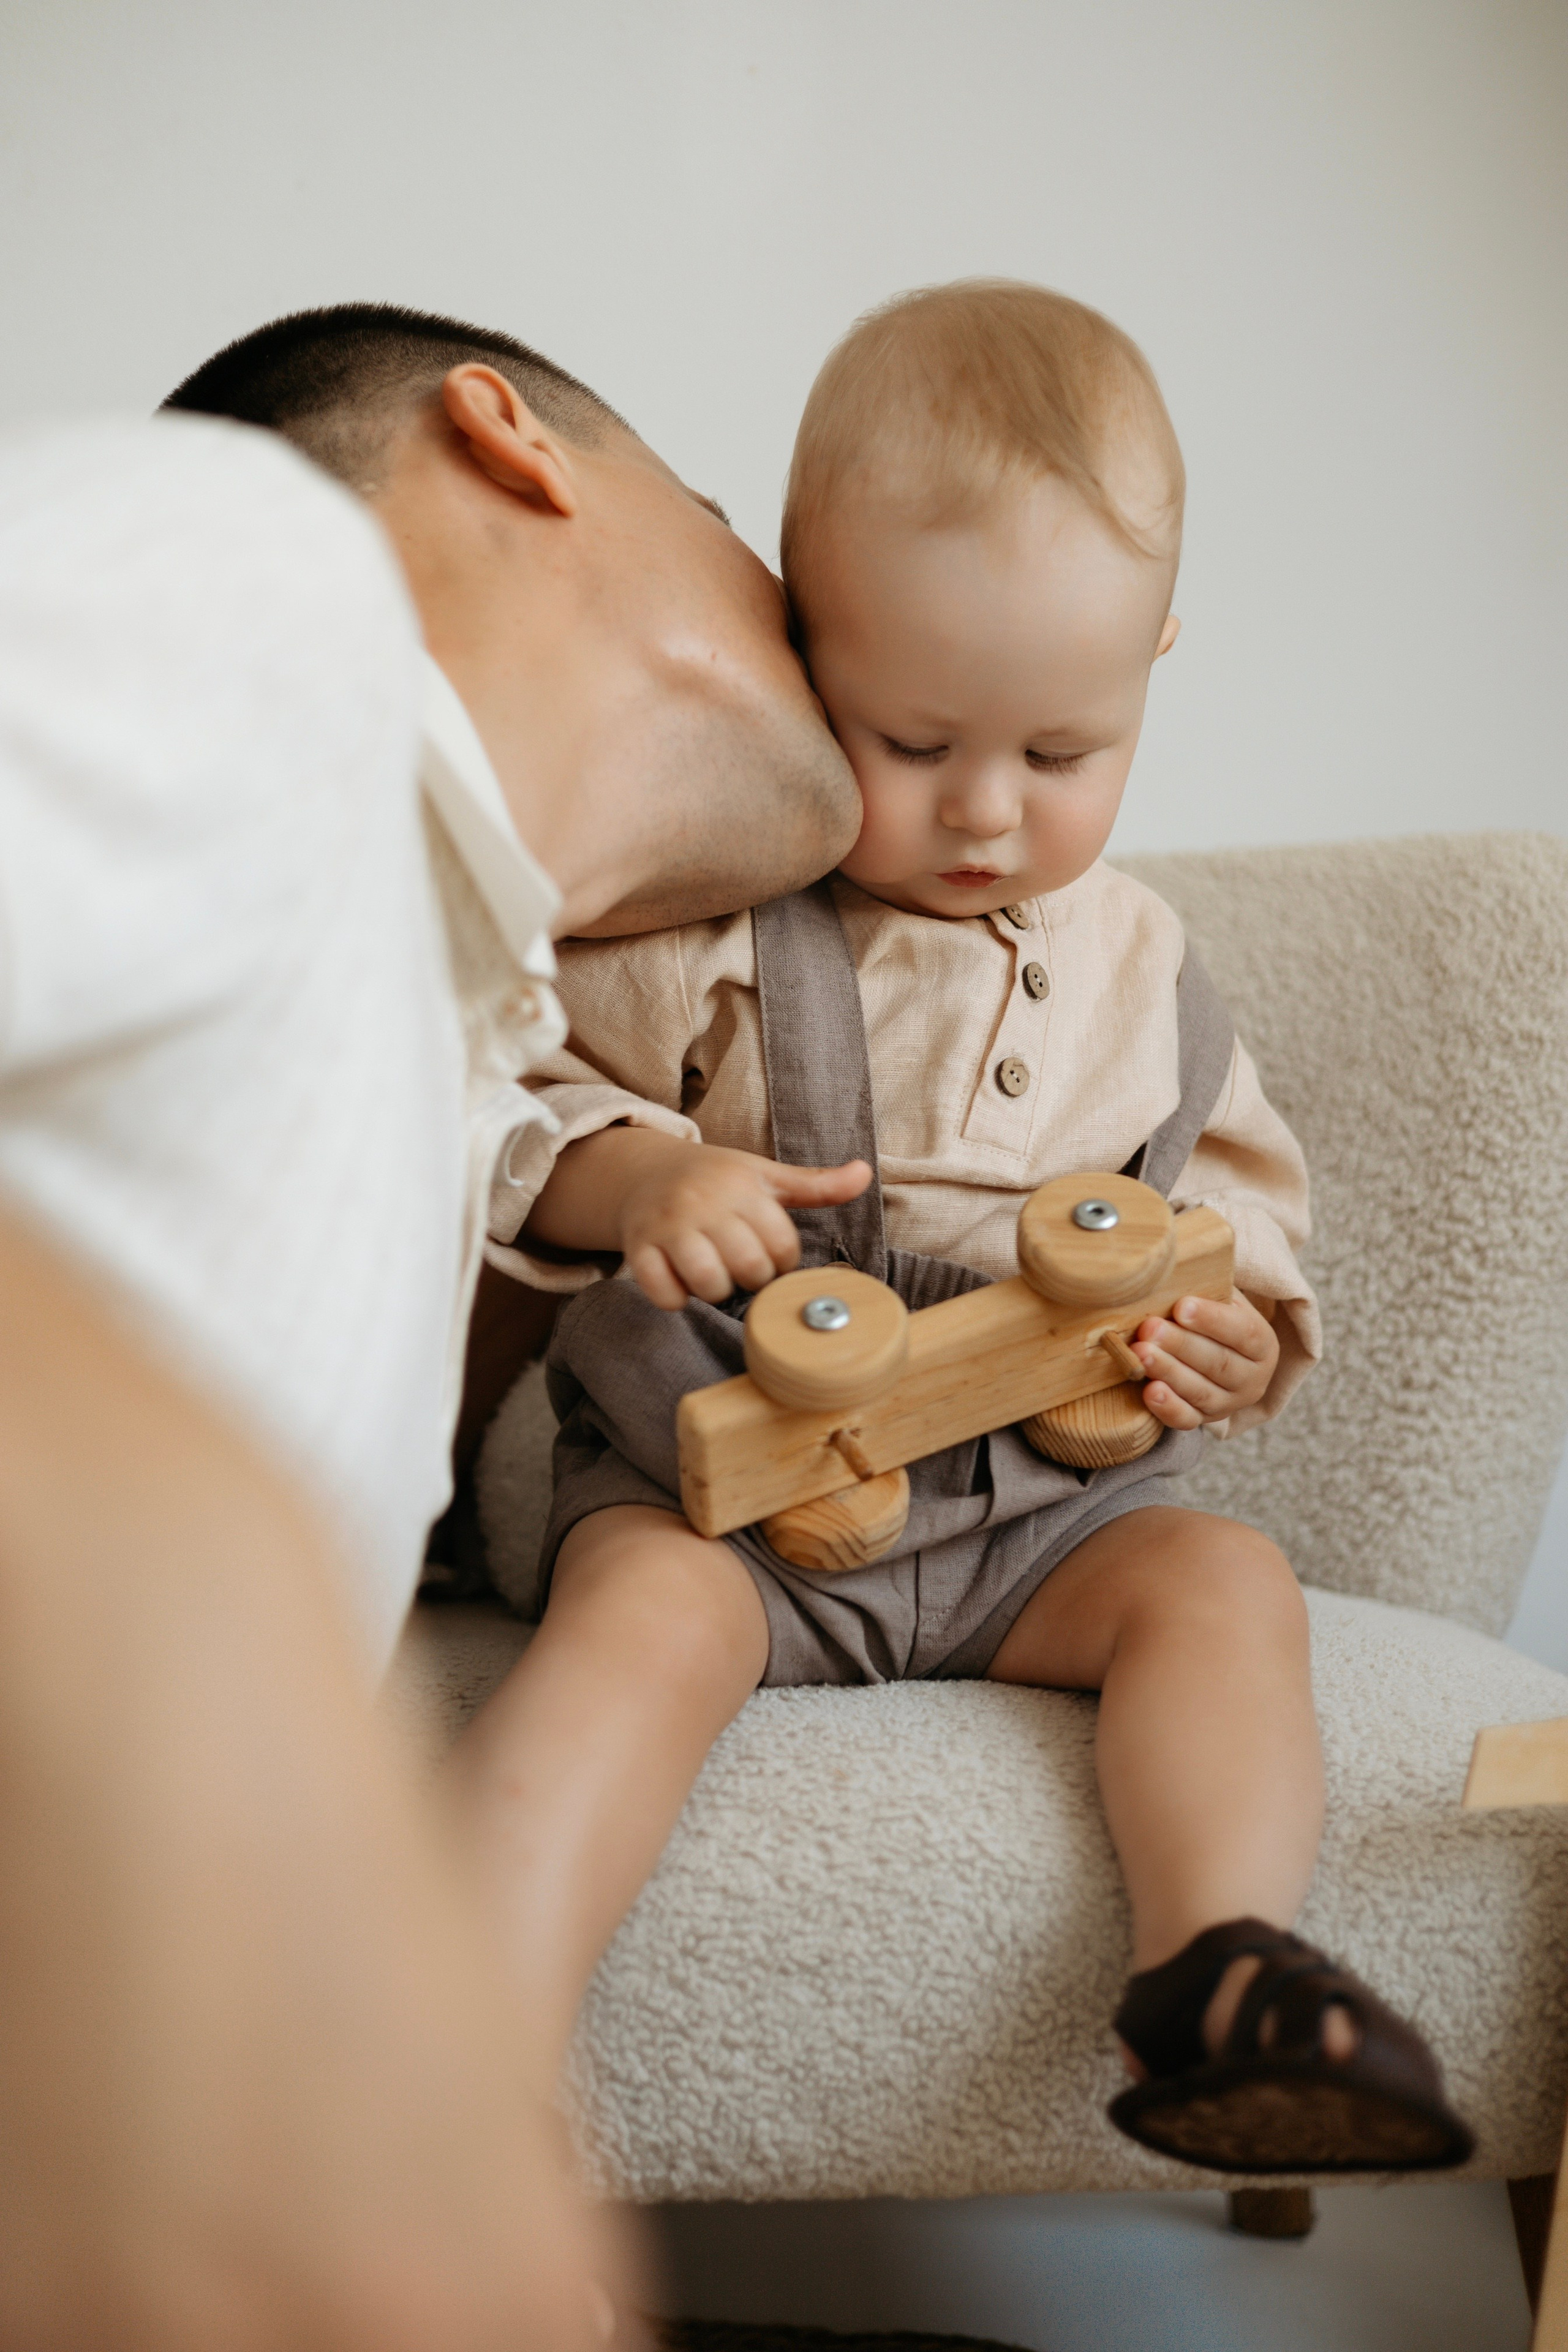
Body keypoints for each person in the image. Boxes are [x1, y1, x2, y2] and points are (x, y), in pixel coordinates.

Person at [447, 281, 1474, 2176]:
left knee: (1222, 1589)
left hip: (1040, 1513)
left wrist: (1238, 1337)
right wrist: (642, 1183)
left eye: (1062, 752)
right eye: (910, 739)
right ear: (801, 644)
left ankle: (1222, 1970)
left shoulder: (1147, 969)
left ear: (1156, 663)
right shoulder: (713, 917)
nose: (986, 811)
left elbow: (1236, 1222)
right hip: (736, 1504)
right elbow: (507, 1108)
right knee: (629, 1630)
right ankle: (463, 2042)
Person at [0, 306, 859, 2350]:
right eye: (739, 525)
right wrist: (166, 1571)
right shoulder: (277, 590)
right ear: (508, 445)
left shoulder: (451, 1083)